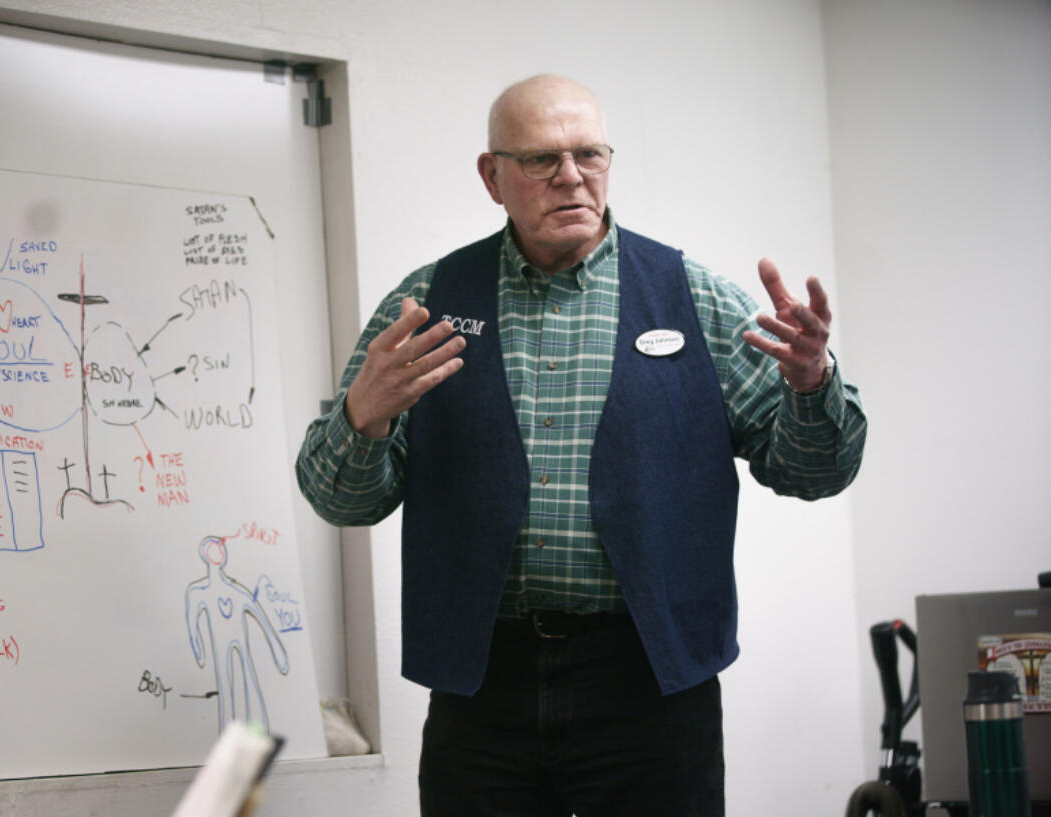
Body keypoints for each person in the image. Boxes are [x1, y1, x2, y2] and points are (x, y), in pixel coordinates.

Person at [295, 74, 866, 816]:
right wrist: (362, 417)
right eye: (540, 159)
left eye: (588, 153)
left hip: (651, 683)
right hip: (483, 690)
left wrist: (812, 384)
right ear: (491, 176)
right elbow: (337, 497)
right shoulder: (428, 305)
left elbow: (814, 472)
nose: (571, 176)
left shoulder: (694, 298)